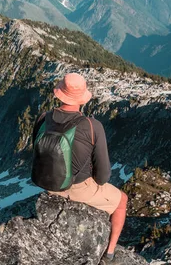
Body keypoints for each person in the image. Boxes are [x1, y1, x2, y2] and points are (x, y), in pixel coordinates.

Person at [32, 72, 127, 263]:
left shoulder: (43, 118)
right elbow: (102, 177)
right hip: (78, 189)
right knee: (122, 201)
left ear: (59, 93)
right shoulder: (92, 126)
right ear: (82, 98)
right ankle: (109, 253)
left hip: (49, 185)